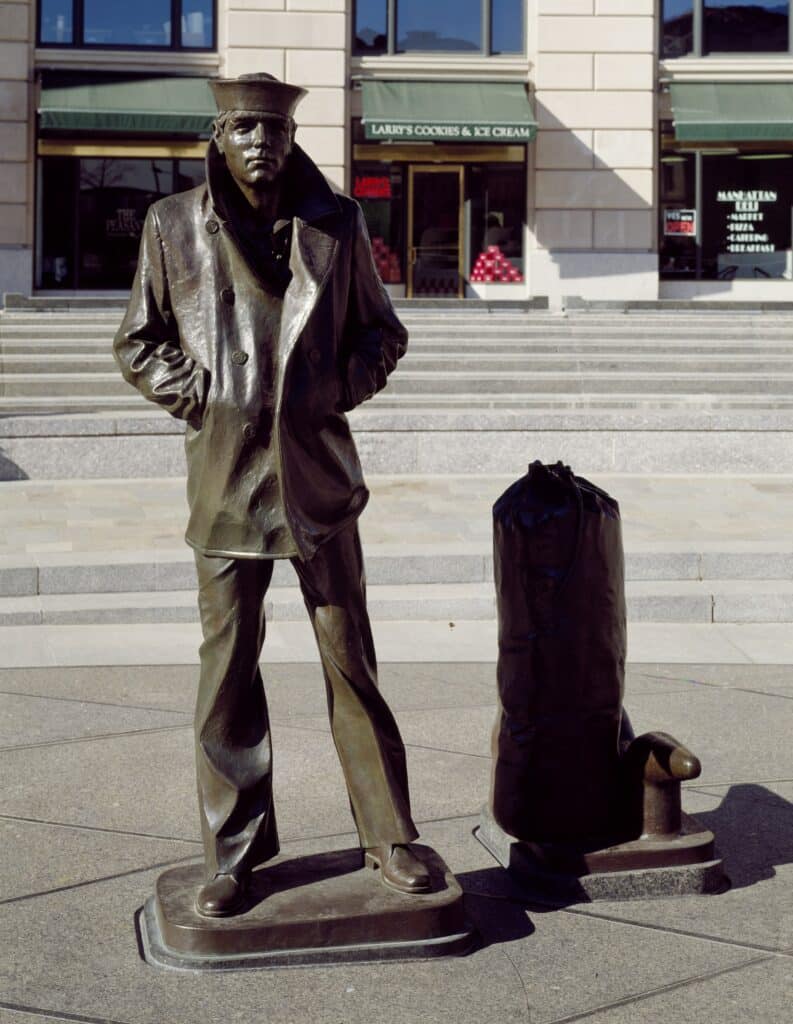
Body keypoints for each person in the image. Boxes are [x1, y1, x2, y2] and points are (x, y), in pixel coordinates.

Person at [114, 73, 429, 917]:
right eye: (245, 126)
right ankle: (233, 854)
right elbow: (138, 341)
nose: (262, 141)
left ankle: (390, 836)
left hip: (318, 481)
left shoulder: (337, 221)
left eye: (276, 128)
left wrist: (333, 389)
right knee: (226, 675)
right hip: (225, 481)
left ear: (292, 138)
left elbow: (382, 333)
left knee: (350, 663)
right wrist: (203, 398)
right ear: (219, 135)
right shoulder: (171, 224)